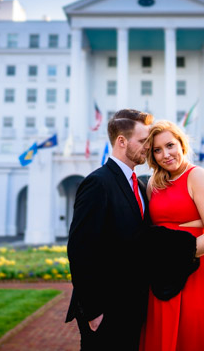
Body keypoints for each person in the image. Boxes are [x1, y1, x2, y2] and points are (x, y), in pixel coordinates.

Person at [140, 120, 204, 351]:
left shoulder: (197, 176)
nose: (166, 154)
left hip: (195, 273)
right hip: (161, 276)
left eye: (170, 145)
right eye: (157, 150)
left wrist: (171, 255)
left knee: (193, 338)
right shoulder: (153, 184)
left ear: (181, 144)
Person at [66, 108, 154, 350]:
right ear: (122, 141)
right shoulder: (97, 183)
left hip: (134, 306)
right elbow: (79, 250)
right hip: (105, 312)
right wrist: (93, 313)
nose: (148, 146)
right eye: (143, 141)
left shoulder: (140, 185)